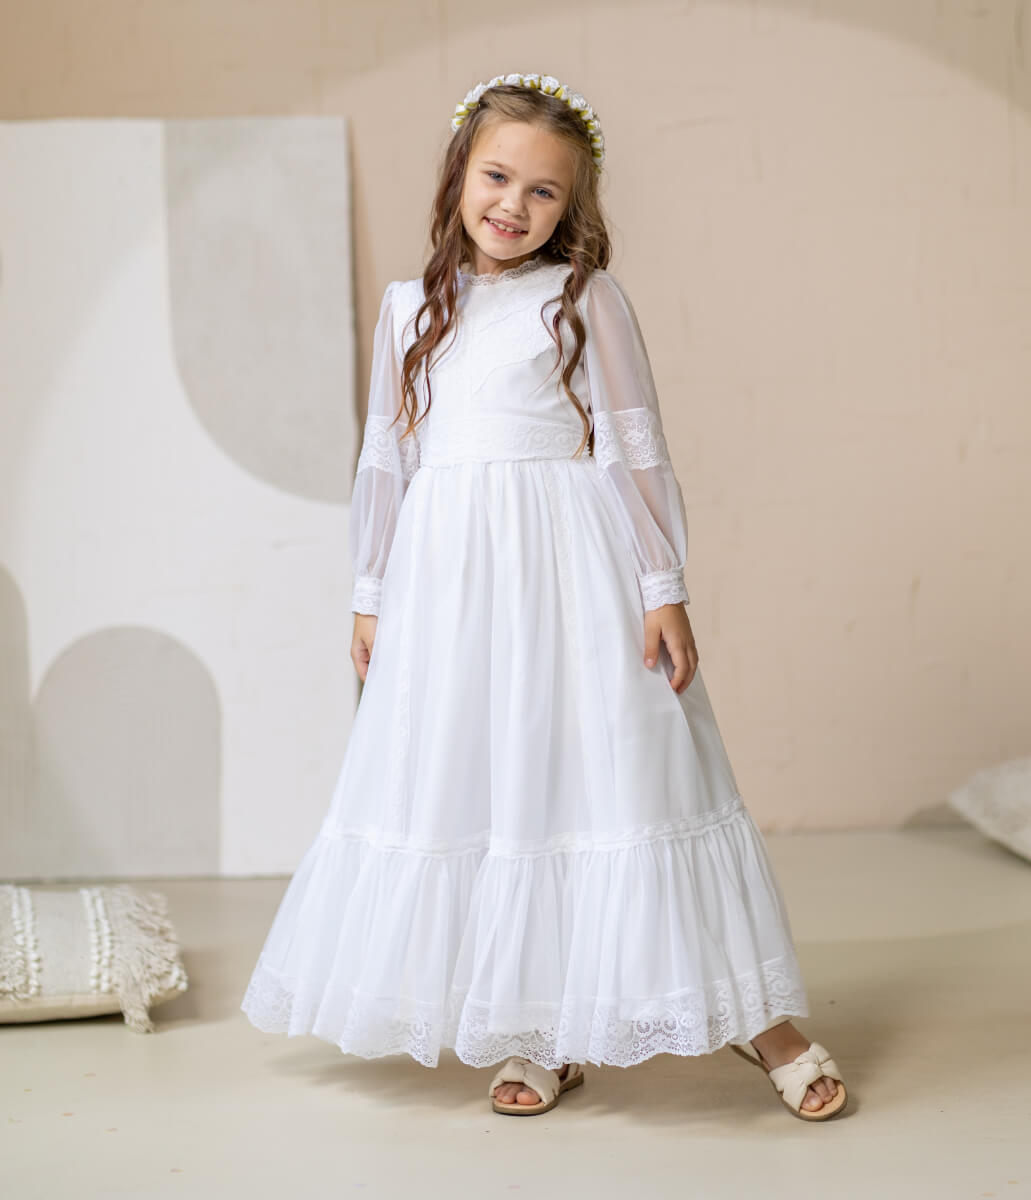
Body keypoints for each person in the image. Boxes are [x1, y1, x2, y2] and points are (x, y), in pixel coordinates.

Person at [241, 71, 848, 1122]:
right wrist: (370, 592)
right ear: (457, 176)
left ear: (574, 210)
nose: (513, 206)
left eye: (544, 194)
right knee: (497, 788)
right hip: (450, 590)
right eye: (497, 177)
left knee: (631, 774)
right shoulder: (408, 312)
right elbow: (386, 460)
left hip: (573, 573)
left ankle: (763, 1020)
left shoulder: (585, 299)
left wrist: (663, 585)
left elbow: (633, 443)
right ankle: (538, 1029)